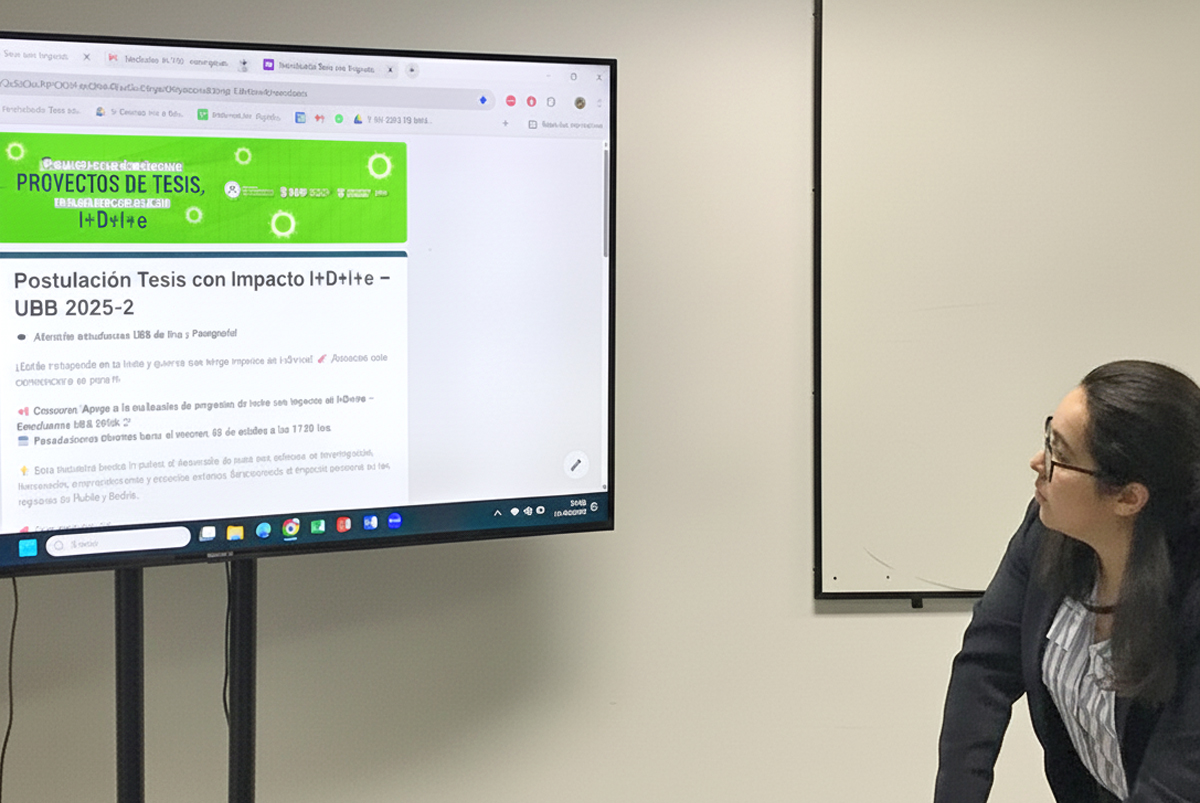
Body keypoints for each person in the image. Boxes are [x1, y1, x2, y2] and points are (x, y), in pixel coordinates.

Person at [935, 360, 1200, 803]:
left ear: (1128, 497)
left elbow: (1175, 785)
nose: (1038, 463)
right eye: (1048, 438)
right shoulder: (1048, 532)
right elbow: (984, 667)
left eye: (1061, 454)